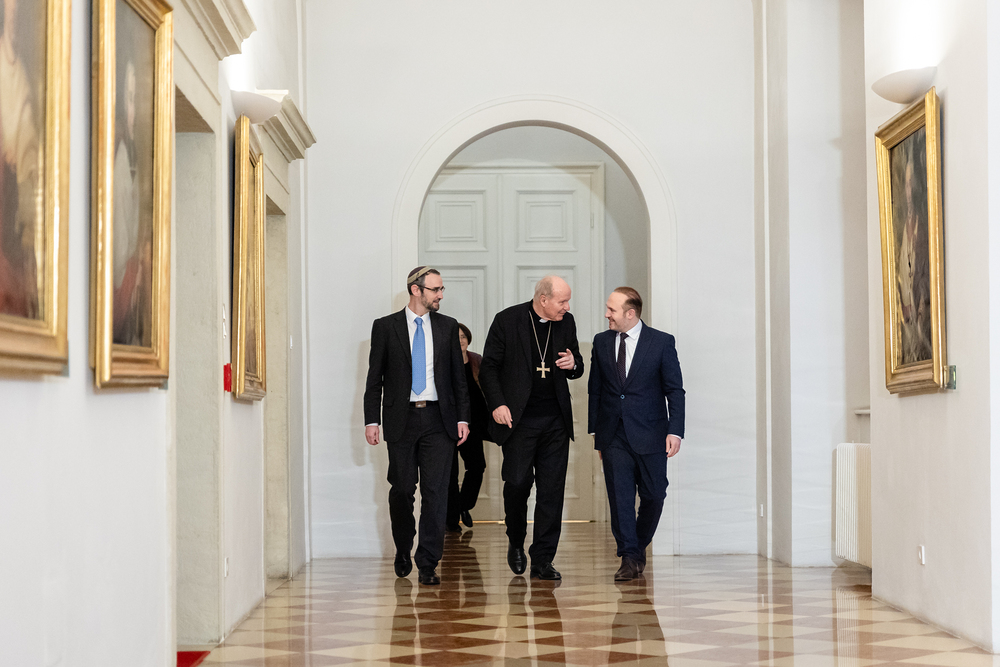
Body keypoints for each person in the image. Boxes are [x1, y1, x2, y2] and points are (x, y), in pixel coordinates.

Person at [364, 266, 470, 586]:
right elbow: (374, 379)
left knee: (436, 493)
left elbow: (458, 379)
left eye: (441, 289)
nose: (440, 295)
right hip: (402, 420)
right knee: (402, 490)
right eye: (435, 289)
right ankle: (402, 548)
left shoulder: (448, 326)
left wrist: (463, 417)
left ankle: (428, 562)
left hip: (439, 420)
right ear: (416, 290)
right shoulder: (385, 327)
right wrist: (372, 420)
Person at [479, 275, 584, 580]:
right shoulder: (507, 320)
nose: (567, 307)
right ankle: (515, 539)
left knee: (551, 491)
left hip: (555, 421)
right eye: (562, 301)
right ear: (543, 299)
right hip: (519, 421)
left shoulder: (566, 322)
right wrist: (498, 404)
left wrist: (573, 364)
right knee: (517, 483)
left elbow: (576, 363)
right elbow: (488, 368)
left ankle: (543, 559)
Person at [588, 287, 684, 581]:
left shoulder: (661, 342)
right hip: (613, 434)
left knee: (654, 494)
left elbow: (674, 390)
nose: (606, 314)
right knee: (620, 498)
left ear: (630, 313)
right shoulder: (601, 341)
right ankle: (628, 556)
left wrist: (675, 431)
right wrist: (596, 433)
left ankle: (638, 545)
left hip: (652, 433)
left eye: (612, 310)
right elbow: (595, 389)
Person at [0, 0, 40, 318]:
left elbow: (28, 129)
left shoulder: (21, 71)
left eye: (17, 15)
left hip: (19, 176)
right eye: (9, 14)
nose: (13, 23)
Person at [446, 322, 488, 531]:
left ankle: (464, 505)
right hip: (449, 425)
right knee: (450, 473)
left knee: (477, 466)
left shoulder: (476, 360)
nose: (460, 340)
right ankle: (451, 520)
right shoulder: (444, 362)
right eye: (456, 337)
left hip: (474, 424)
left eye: (463, 336)